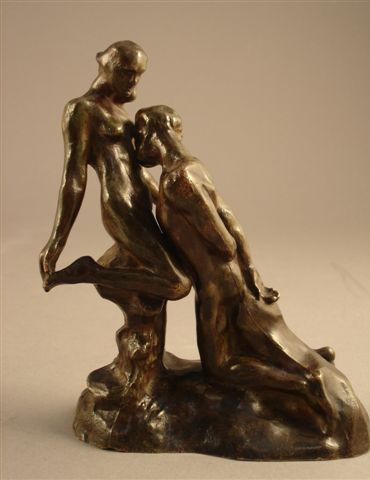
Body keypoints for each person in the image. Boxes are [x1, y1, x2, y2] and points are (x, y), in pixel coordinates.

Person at [134, 105, 339, 421]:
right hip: (225, 280)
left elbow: (223, 240)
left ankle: (304, 384)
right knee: (248, 344)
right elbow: (232, 221)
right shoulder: (191, 168)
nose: (137, 146)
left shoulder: (177, 181)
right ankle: (312, 359)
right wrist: (250, 268)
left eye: (138, 137)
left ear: (152, 134)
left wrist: (190, 252)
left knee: (221, 366)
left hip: (217, 285)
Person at [39, 42, 190, 303]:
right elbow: (74, 177)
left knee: (155, 277)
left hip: (141, 202)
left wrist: (167, 201)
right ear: (104, 65)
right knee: (177, 284)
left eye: (138, 74)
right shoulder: (82, 109)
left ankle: (139, 322)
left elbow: (137, 170)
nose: (133, 81)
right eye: (126, 72)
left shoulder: (120, 111)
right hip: (121, 205)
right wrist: (57, 240)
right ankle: (90, 271)